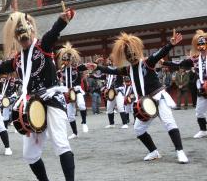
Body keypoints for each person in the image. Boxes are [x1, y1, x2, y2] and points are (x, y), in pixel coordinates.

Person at [0, 9, 76, 181]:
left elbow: (54, 33)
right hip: (32, 106)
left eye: (25, 36)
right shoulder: (17, 59)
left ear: (31, 31)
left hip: (53, 100)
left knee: (61, 144)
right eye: (20, 38)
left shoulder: (43, 46)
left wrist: (62, 20)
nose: (23, 40)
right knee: (30, 155)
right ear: (16, 39)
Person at [87, 32, 189, 164]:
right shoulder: (128, 69)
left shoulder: (148, 63)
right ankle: (153, 152)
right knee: (138, 129)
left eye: (133, 54)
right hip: (145, 103)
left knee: (169, 123)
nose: (132, 57)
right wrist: (97, 67)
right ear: (126, 57)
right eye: (129, 55)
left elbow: (160, 53)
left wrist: (170, 44)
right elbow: (112, 70)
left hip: (158, 98)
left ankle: (180, 151)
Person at [162, 30, 207, 138]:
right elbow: (180, 63)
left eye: (203, 43)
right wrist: (165, 63)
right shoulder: (195, 59)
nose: (201, 46)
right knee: (199, 111)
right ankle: (203, 130)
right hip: (202, 89)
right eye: (199, 44)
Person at [56, 42, 88, 139]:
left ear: (71, 60)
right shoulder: (61, 71)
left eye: (67, 59)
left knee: (82, 105)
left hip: (76, 90)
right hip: (67, 92)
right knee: (70, 115)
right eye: (64, 59)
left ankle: (84, 122)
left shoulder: (77, 68)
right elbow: (59, 81)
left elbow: (85, 69)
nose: (66, 61)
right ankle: (75, 133)